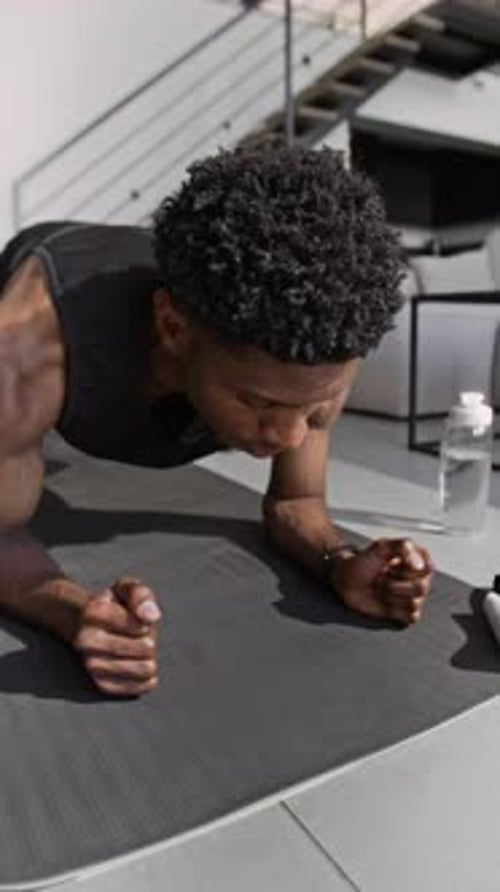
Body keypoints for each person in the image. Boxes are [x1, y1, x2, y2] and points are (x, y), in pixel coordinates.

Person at [0, 144, 433, 697]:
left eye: (313, 406)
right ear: (174, 332)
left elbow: (297, 504)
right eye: (259, 404)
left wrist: (339, 562)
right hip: (52, 278)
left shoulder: (315, 344)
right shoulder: (27, 351)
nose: (290, 436)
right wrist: (70, 610)